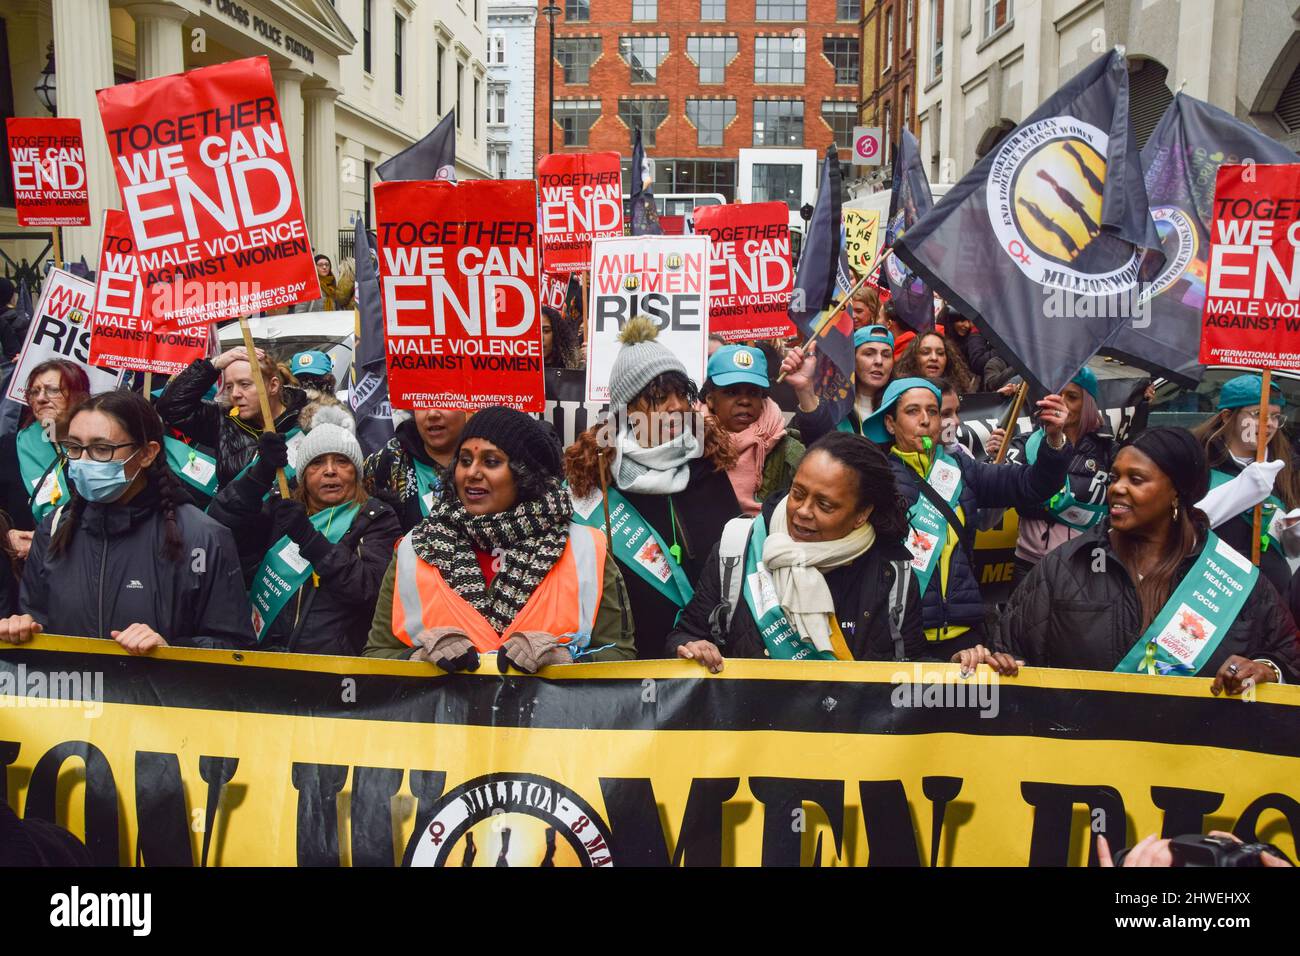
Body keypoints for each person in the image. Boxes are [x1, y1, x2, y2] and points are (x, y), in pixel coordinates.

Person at [960, 427, 1300, 688]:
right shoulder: (1065, 566)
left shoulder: (1228, 576)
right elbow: (1011, 651)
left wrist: (1267, 670)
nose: (1117, 488)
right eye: (1115, 476)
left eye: (1136, 479)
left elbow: (1289, 660)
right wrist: (995, 662)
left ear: (1177, 493)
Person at [366, 406, 635, 669]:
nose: (472, 473)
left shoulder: (586, 550)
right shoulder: (415, 548)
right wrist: (420, 658)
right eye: (465, 460)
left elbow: (621, 657)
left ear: (526, 474)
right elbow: (375, 655)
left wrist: (563, 659)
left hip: (553, 714)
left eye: (491, 461)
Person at [0, 390, 255, 652]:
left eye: (102, 449)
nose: (83, 462)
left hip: (159, 692)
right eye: (74, 447)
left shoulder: (202, 537)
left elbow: (234, 646)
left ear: (146, 453)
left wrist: (172, 650)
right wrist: (23, 629)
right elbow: (37, 618)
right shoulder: (54, 529)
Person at [668, 432, 926, 669]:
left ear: (861, 514)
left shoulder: (893, 575)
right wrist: (693, 648)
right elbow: (686, 633)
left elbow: (913, 670)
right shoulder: (739, 549)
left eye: (824, 505)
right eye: (797, 493)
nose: (803, 511)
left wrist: (959, 667)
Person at [565, 318, 740, 659]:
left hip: (704, 658)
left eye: (682, 394)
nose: (676, 406)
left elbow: (729, 568)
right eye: (659, 397)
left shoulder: (708, 465)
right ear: (627, 410)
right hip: (624, 662)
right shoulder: (595, 482)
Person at [865, 376, 1072, 652]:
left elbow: (1033, 485)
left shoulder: (962, 468)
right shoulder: (875, 478)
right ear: (890, 423)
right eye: (913, 411)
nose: (925, 420)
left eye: (933, 411)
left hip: (965, 637)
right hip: (903, 635)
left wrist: (1054, 439)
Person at [208, 402, 401, 655]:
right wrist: (259, 475)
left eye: (341, 461)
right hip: (265, 658)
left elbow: (370, 590)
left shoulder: (377, 518)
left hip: (334, 670)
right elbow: (221, 525)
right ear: (303, 475)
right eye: (317, 463)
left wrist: (309, 539)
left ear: (356, 472)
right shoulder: (282, 509)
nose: (330, 471)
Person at [997, 369, 1118, 588]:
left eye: (1072, 397)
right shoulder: (1026, 443)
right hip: (1028, 563)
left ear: (1088, 404)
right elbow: (999, 501)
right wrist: (997, 459)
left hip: (1083, 566)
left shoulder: (1108, 452)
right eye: (1057, 394)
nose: (1061, 402)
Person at [1189, 373, 1300, 601]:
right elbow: (1185, 529)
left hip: (1273, 602)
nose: (1269, 424)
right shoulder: (1195, 462)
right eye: (1258, 415)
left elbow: (1288, 550)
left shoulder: (1285, 467)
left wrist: (1292, 533)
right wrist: (1245, 490)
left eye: (1276, 417)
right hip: (1213, 598)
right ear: (1227, 416)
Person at [156, 346, 308, 490]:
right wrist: (213, 365)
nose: (235, 393)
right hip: (236, 516)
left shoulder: (308, 421)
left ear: (273, 386)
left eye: (245, 384)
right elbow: (171, 408)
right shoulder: (225, 421)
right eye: (229, 387)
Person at [702, 345, 804, 517]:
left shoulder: (787, 449)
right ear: (710, 399)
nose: (744, 401)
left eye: (753, 393)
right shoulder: (688, 444)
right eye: (732, 392)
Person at [0, 361, 91, 545]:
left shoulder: (102, 450)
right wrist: (6, 537)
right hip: (27, 569)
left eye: (53, 390)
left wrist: (41, 543)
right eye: (34, 392)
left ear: (80, 397)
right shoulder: (9, 448)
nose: (41, 398)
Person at [781, 324, 896, 446]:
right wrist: (805, 389)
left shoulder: (900, 405)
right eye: (869, 353)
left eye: (886, 355)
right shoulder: (832, 405)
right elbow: (818, 446)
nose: (879, 361)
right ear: (852, 359)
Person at [363, 408, 469, 532]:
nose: (432, 414)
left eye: (443, 401)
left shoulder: (489, 457)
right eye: (423, 404)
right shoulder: (389, 459)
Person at [894, 330, 976, 394]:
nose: (934, 358)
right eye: (926, 352)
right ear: (914, 358)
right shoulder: (901, 392)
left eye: (940, 353)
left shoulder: (958, 393)